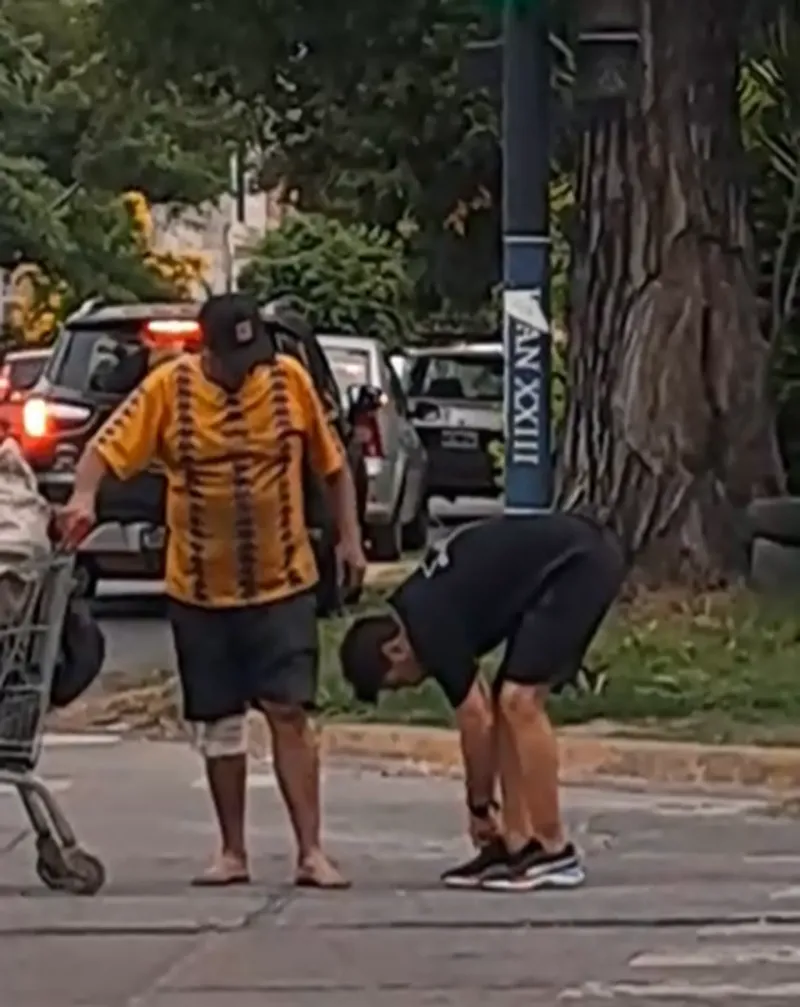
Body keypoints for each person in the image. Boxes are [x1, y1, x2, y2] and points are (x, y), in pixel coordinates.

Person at [59, 292, 366, 889]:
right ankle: (233, 852)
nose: (249, 370)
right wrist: (83, 496)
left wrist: (350, 540)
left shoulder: (289, 382)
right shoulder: (168, 390)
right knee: (220, 721)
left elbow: (332, 468)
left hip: (284, 579)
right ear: (208, 352)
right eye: (236, 358)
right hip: (199, 586)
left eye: (255, 357)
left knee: (289, 710)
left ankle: (311, 851)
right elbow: (102, 449)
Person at [338, 512, 625, 892]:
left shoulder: (429, 623)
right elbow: (483, 714)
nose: (406, 689)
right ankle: (518, 843)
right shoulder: (422, 609)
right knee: (506, 699)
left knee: (520, 701)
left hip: (579, 563)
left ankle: (555, 850)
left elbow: (475, 721)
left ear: (395, 649)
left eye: (393, 683)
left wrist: (479, 807)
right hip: (568, 560)